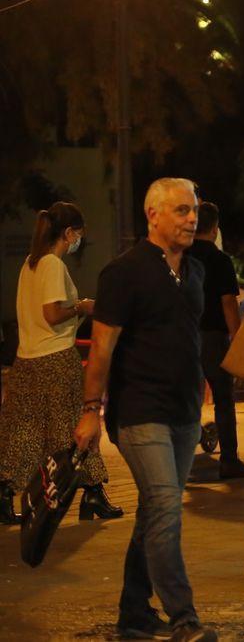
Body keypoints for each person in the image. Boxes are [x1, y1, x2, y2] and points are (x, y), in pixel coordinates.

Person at [73, 179, 215, 641]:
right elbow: (102, 349)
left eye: (193, 210)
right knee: (165, 506)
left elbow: (188, 338)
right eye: (180, 210)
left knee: (156, 511)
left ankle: (134, 612)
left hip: (184, 411)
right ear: (152, 215)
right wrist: (91, 409)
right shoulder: (124, 272)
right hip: (139, 410)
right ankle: (184, 618)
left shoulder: (194, 271)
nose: (191, 218)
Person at [0, 202, 121, 526]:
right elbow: (52, 313)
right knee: (77, 425)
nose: (79, 241)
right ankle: (93, 493)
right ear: (68, 233)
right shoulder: (53, 265)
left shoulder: (30, 264)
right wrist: (82, 306)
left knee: (21, 431)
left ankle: (4, 494)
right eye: (78, 234)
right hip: (55, 359)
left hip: (26, 359)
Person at [187, 201, 244, 479]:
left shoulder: (181, 257)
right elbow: (229, 302)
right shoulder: (219, 260)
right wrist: (239, 339)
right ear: (215, 228)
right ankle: (229, 459)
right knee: (223, 398)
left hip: (185, 336)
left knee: (188, 398)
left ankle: (183, 460)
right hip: (213, 337)